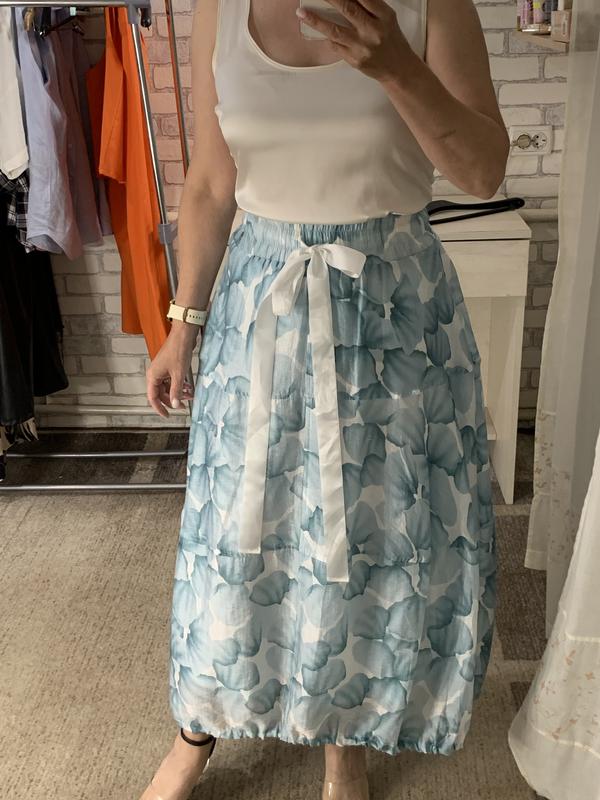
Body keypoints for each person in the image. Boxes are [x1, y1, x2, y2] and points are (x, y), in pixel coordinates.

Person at [141, 1, 508, 798]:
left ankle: (348, 740)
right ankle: (196, 729)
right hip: (259, 309)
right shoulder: (221, 8)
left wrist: (396, 67)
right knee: (236, 535)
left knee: (374, 536)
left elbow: (483, 171)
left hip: (393, 311)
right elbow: (210, 183)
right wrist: (182, 324)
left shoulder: (432, 7)